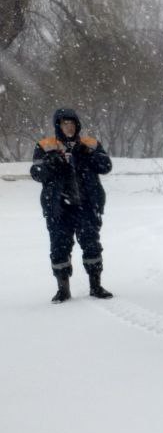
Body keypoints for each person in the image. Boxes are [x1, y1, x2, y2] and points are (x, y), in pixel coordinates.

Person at [30, 108, 114, 302]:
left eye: (72, 123)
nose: (69, 127)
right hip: (58, 208)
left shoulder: (89, 144)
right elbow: (36, 173)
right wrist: (49, 164)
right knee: (59, 248)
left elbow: (106, 166)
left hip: (86, 206)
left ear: (77, 125)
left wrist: (88, 156)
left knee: (92, 246)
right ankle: (63, 289)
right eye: (64, 123)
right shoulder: (46, 145)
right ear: (58, 126)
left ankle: (96, 285)